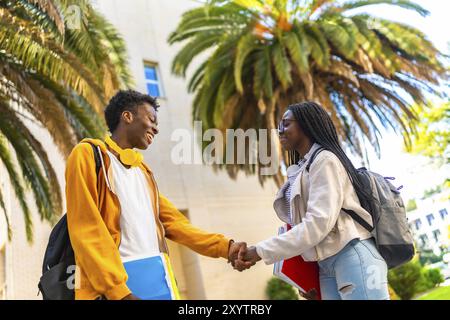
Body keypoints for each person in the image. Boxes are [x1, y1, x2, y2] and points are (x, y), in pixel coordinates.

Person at [66, 90, 246, 300]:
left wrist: (227, 247)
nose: (156, 128)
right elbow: (86, 228)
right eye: (151, 119)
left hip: (159, 276)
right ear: (127, 116)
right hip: (114, 285)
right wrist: (119, 292)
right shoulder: (88, 155)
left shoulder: (143, 171)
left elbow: (177, 224)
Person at [234, 101, 390, 300]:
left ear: (306, 125)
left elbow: (317, 224)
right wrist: (306, 277)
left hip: (352, 255)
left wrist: (258, 251)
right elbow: (299, 227)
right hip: (325, 265)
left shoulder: (325, 160)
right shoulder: (303, 168)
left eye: (286, 123)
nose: (280, 130)